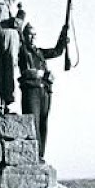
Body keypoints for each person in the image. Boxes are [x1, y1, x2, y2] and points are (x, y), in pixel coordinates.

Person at [18, 23, 68, 160]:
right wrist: (43, 74)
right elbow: (27, 71)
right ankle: (33, 155)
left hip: (44, 90)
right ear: (24, 36)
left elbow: (57, 51)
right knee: (33, 123)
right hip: (31, 91)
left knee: (43, 124)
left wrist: (63, 35)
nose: (33, 37)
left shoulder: (39, 52)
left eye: (34, 34)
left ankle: (40, 155)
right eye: (29, 34)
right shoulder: (22, 51)